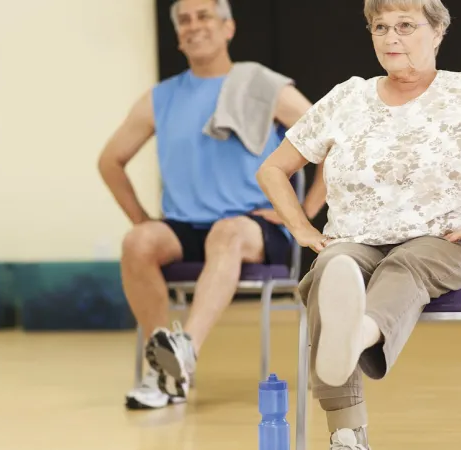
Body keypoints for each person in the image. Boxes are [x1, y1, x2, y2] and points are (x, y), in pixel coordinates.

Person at [256, 0, 461, 447]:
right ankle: (346, 434)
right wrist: (301, 228)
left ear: (438, 32)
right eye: (379, 27)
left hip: (458, 247)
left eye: (405, 25)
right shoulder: (348, 98)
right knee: (331, 267)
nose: (390, 37)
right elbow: (273, 169)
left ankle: (356, 334)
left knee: (409, 261)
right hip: (362, 244)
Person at [97, 0, 326, 410]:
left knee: (227, 231)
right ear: (178, 34)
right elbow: (110, 161)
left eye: (204, 16)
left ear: (228, 28)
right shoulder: (160, 98)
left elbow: (329, 141)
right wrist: (143, 220)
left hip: (254, 224)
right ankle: (164, 365)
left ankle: (185, 352)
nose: (193, 26)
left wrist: (303, 213)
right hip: (186, 226)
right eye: (184, 20)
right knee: (138, 242)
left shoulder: (265, 87)